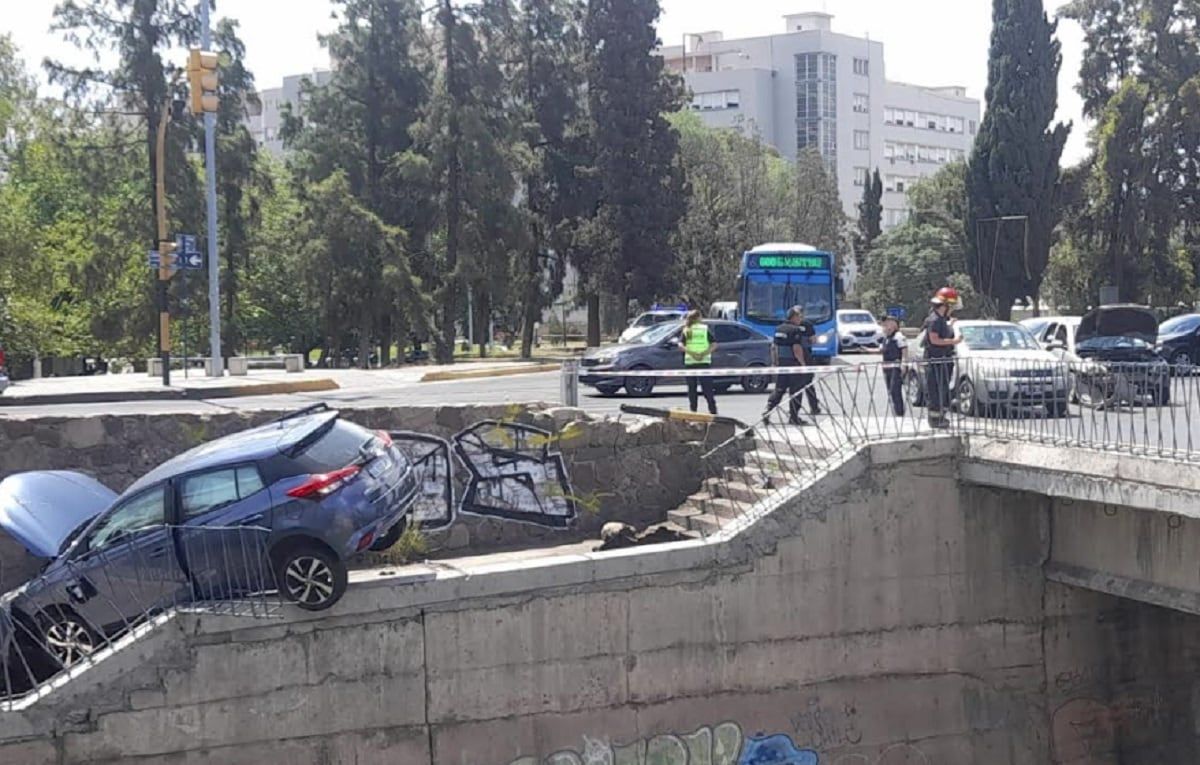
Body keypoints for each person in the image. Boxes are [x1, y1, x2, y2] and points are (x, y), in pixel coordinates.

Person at [766, 305, 817, 425]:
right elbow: (796, 348)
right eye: (799, 317)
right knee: (796, 391)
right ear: (794, 317)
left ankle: (767, 411)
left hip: (782, 364)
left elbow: (774, 347)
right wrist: (803, 364)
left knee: (779, 389)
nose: (801, 319)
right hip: (794, 364)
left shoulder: (779, 329)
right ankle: (794, 417)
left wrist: (774, 362)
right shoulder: (795, 330)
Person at [922, 287, 963, 428]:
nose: (952, 310)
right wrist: (954, 342)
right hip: (936, 361)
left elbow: (943, 332)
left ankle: (941, 418)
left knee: (943, 390)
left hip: (944, 360)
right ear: (945, 306)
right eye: (951, 307)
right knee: (936, 391)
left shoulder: (941, 319)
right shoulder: (934, 320)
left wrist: (950, 325)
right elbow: (934, 340)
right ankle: (935, 419)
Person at [678, 310, 719, 415]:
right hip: (703, 362)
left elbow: (680, 346)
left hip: (690, 363)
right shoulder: (704, 329)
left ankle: (693, 412)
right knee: (708, 389)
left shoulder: (686, 330)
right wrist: (703, 354)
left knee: (692, 390)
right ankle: (713, 411)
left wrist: (692, 353)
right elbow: (714, 345)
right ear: (698, 318)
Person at [874, 315, 908, 416]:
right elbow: (881, 350)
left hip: (896, 367)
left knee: (895, 390)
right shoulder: (886, 338)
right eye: (884, 324)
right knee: (890, 391)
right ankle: (895, 412)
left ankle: (900, 413)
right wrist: (866, 350)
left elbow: (904, 350)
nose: (885, 326)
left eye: (888, 324)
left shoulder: (899, 336)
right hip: (887, 367)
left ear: (894, 325)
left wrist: (904, 363)